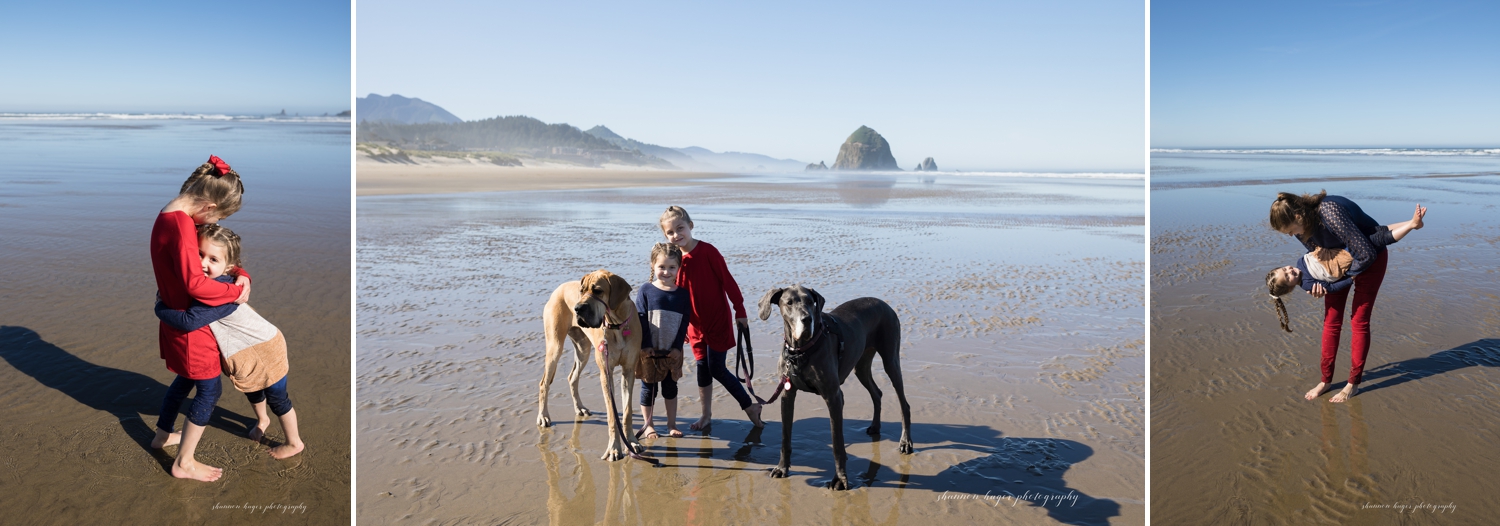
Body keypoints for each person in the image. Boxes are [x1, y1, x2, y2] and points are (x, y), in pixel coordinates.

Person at [155, 224, 304, 459]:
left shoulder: (221, 293)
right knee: (253, 389)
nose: (204, 263)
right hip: (245, 349)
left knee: (277, 397)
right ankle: (262, 420)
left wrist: (159, 306)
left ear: (228, 267)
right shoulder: (209, 281)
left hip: (266, 347)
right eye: (199, 254)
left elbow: (188, 321)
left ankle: (294, 442)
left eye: (213, 259)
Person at [149, 155, 248, 482]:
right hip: (191, 329)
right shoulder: (181, 226)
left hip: (175, 320)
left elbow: (213, 250)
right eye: (217, 217)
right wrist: (235, 293)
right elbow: (195, 283)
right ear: (207, 205)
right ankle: (184, 461)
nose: (211, 225)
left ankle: (163, 435)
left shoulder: (171, 215)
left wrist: (240, 274)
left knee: (184, 381)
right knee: (208, 391)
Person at [1267, 191, 1417, 403]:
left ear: (1298, 217)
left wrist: (1345, 280)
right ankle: (1325, 380)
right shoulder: (1301, 230)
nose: (1292, 235)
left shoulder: (1329, 212)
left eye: (1290, 230)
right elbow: (1319, 254)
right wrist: (1322, 286)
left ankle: (1352, 383)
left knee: (1359, 321)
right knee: (1331, 323)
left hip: (1370, 259)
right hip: (1338, 267)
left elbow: (1367, 252)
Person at [658, 206, 764, 431]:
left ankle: (749, 406)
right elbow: (674, 294)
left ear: (691, 226)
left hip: (716, 320)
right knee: (702, 368)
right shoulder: (673, 262)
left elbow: (728, 281)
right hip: (694, 325)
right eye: (670, 232)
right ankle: (706, 415)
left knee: (716, 367)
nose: (676, 235)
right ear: (665, 236)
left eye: (680, 228)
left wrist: (740, 311)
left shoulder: (708, 252)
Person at [1266, 203, 1426, 322]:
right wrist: (1350, 278)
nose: (1289, 271)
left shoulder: (1299, 265)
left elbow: (1313, 249)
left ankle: (1410, 223)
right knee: (1375, 239)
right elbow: (1330, 287)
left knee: (1374, 232)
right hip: (1342, 261)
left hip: (1334, 252)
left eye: (1284, 270)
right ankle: (1411, 225)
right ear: (1290, 287)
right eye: (1287, 277)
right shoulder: (1308, 285)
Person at [634, 243, 690, 439]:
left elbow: (684, 323)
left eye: (671, 267)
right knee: (648, 389)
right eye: (661, 267)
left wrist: (677, 347)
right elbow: (640, 318)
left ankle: (671, 424)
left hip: (671, 351)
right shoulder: (646, 290)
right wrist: (646, 345)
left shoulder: (682, 294)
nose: (666, 272)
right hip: (649, 350)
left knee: (670, 388)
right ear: (652, 265)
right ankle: (648, 425)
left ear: (679, 268)